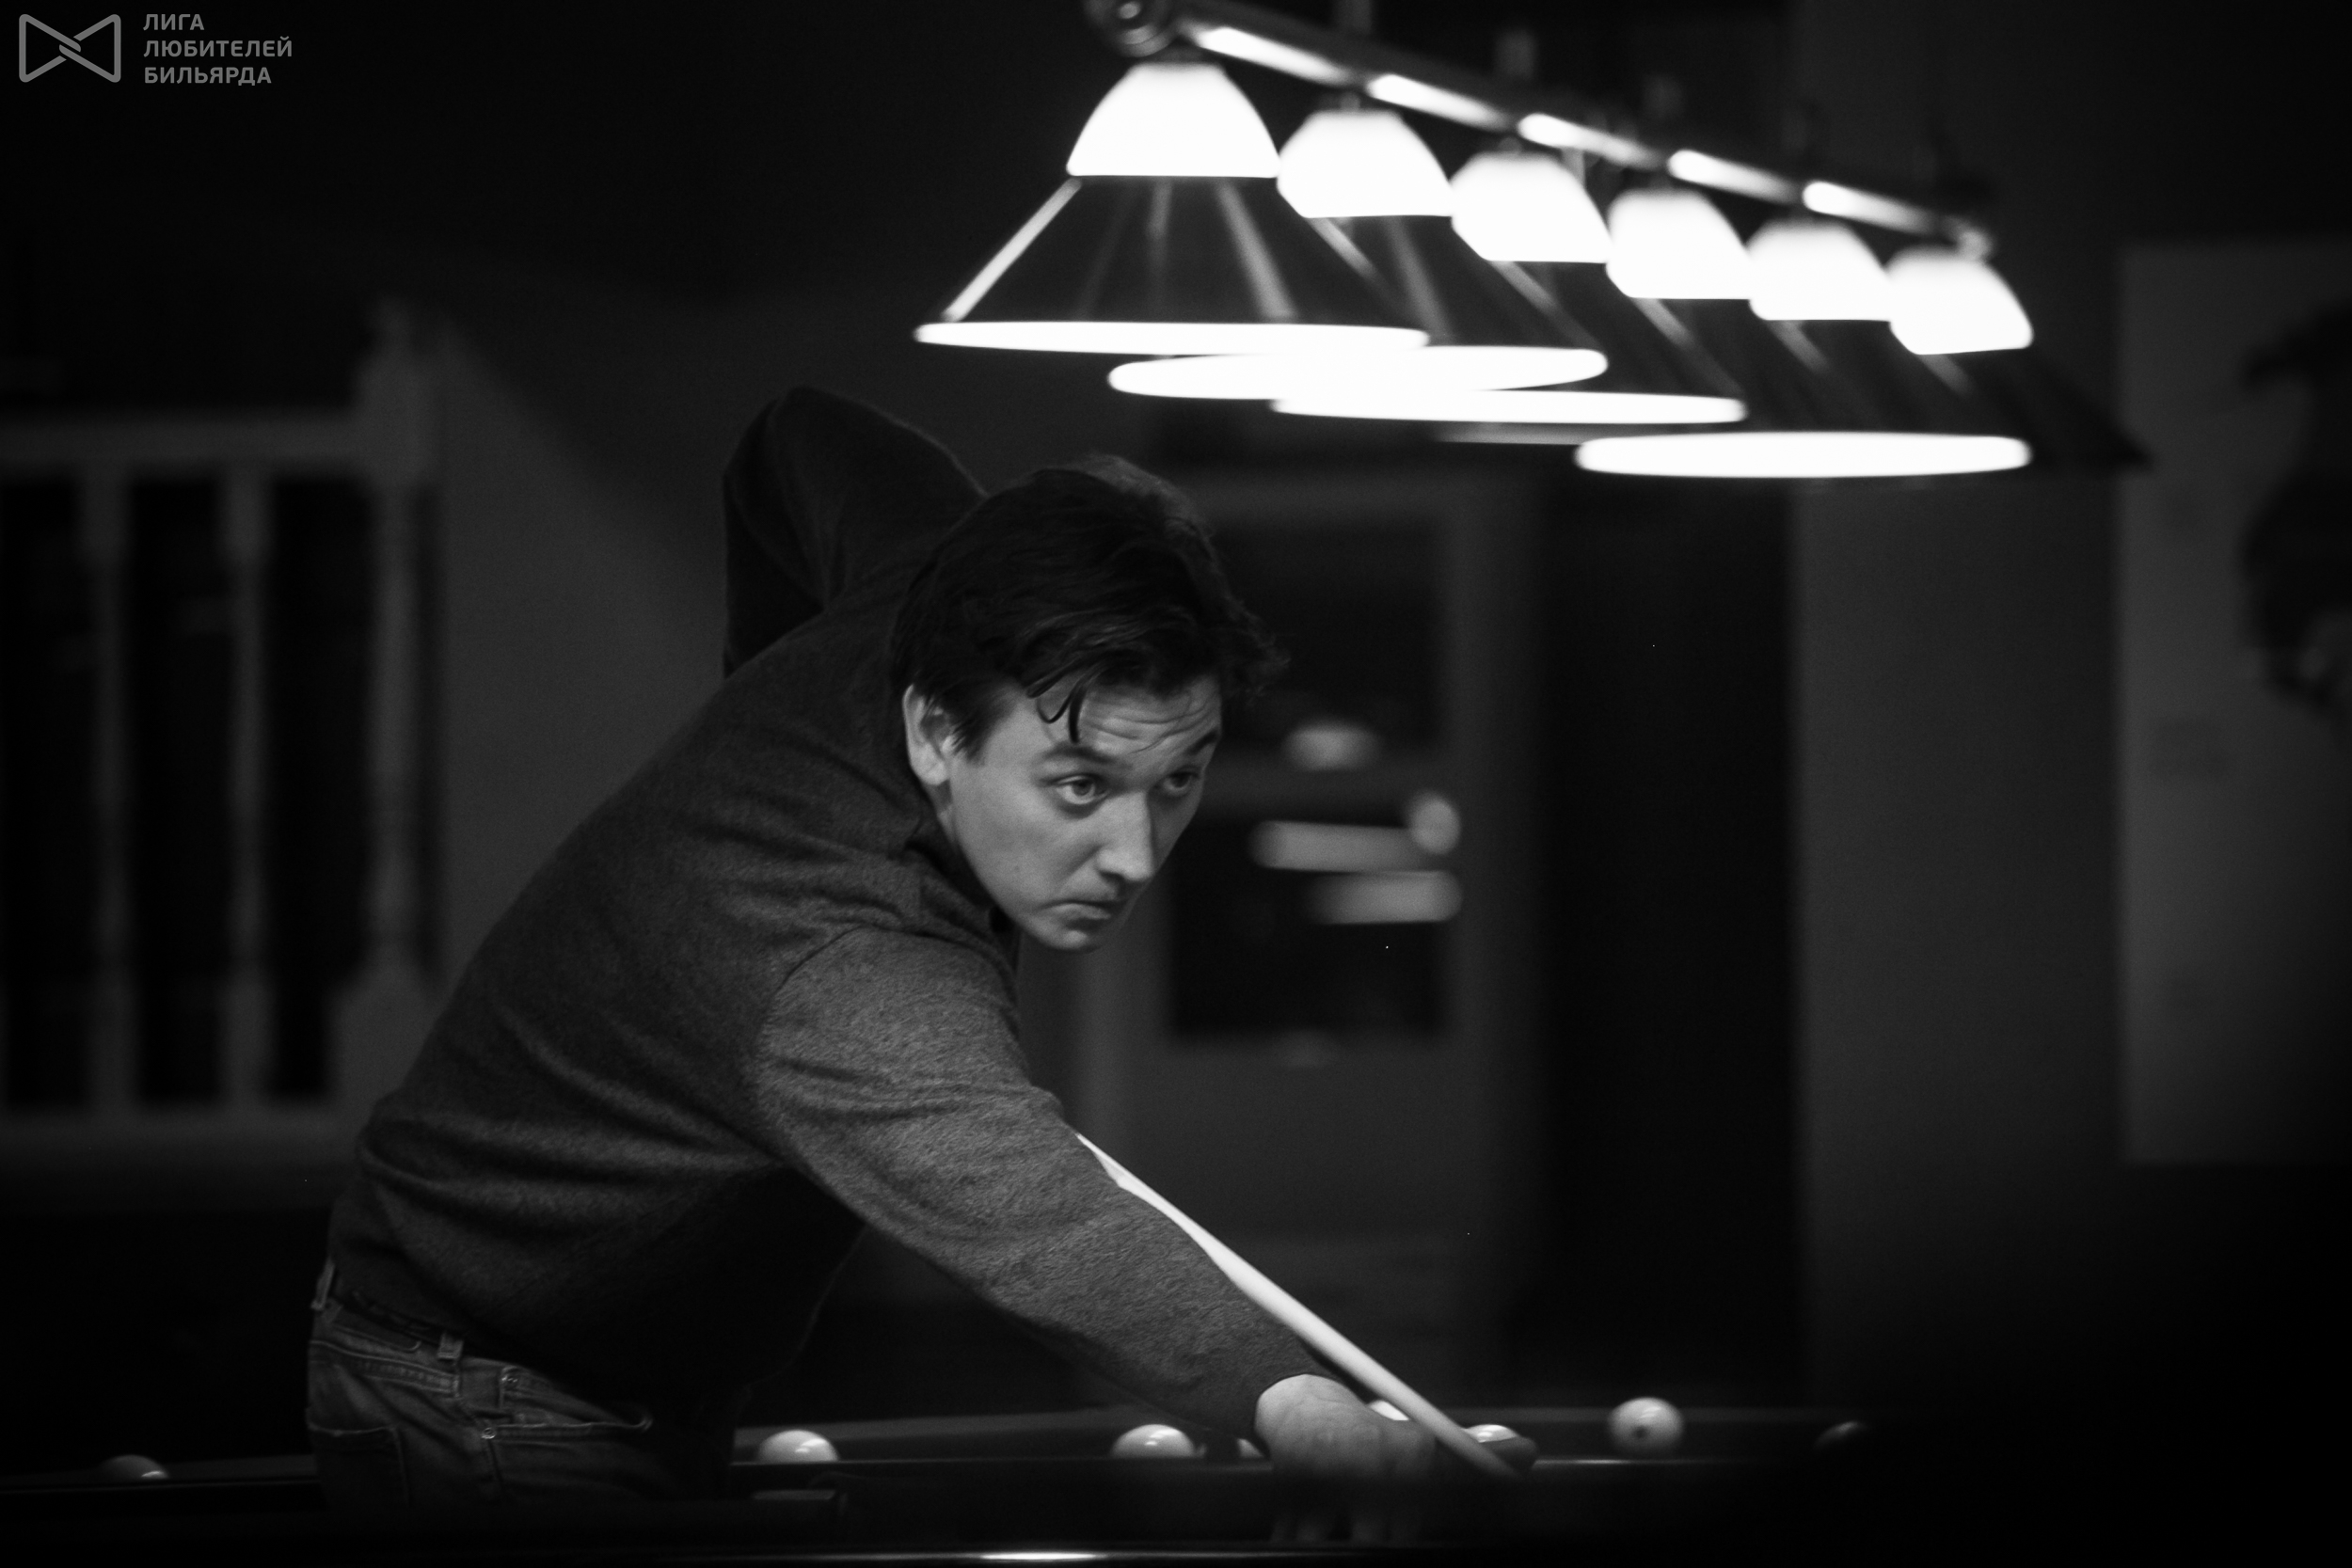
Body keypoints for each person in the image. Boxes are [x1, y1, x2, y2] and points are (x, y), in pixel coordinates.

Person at [306, 388, 1434, 1528]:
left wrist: (768, 678)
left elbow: (793, 436)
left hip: (615, 1361)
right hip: (486, 1388)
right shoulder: (834, 958)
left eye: (1178, 777)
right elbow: (1039, 1217)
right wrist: (1289, 1397)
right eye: (1080, 784)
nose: (1135, 854)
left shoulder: (944, 579)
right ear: (934, 731)